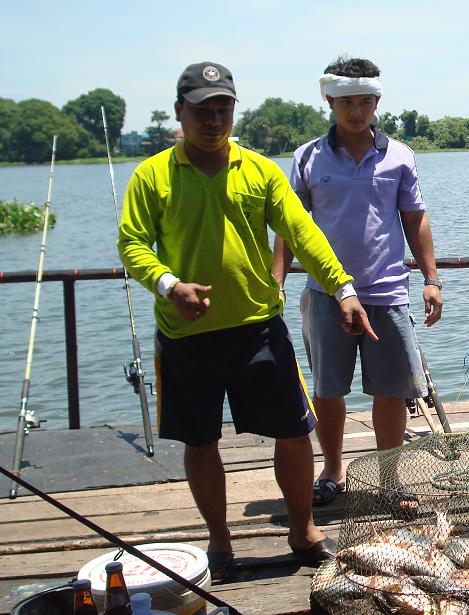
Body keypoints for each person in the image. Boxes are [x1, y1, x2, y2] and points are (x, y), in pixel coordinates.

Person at [118, 61, 376, 580]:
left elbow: (303, 233)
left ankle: (303, 529)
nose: (214, 121)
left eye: (223, 110)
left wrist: (343, 288)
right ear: (179, 113)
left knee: (293, 431)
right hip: (186, 336)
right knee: (201, 441)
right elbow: (131, 243)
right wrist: (169, 285)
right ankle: (220, 539)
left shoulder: (259, 170)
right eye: (202, 111)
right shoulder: (152, 175)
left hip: (258, 327)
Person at [272, 56, 442, 510]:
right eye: (347, 101)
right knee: (328, 389)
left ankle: (389, 478)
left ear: (377, 101)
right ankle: (332, 469)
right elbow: (290, 224)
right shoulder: (307, 157)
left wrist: (431, 278)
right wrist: (277, 279)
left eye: (366, 101)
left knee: (392, 389)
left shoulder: (400, 155)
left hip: (387, 291)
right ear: (329, 100)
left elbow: (415, 220)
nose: (356, 110)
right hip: (326, 294)